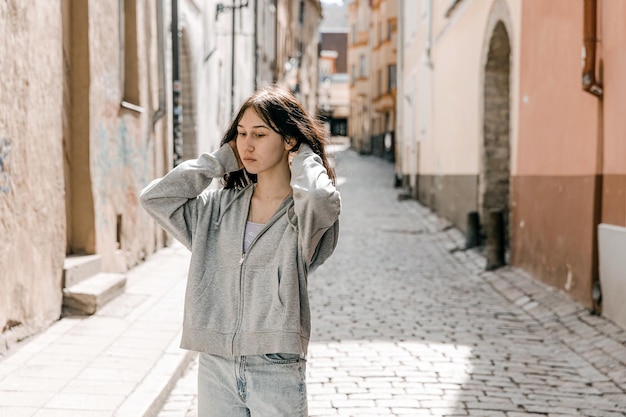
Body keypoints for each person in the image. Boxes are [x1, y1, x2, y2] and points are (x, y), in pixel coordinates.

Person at [139, 84, 341, 417]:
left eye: (260, 135)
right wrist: (221, 161)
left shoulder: (303, 213)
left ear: (289, 140)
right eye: (242, 133)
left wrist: (305, 155)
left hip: (275, 363)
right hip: (216, 363)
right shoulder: (218, 208)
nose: (247, 144)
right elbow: (156, 198)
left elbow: (321, 196)